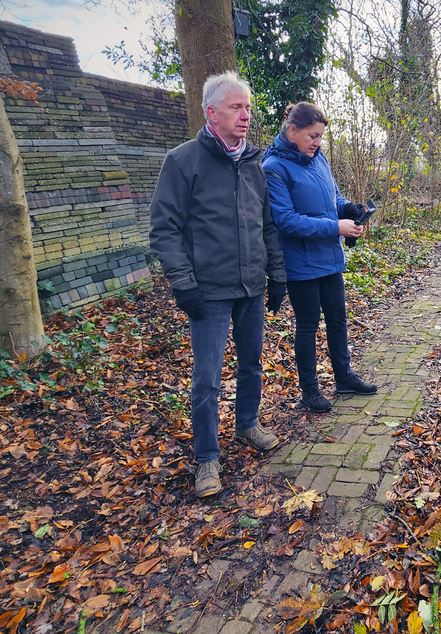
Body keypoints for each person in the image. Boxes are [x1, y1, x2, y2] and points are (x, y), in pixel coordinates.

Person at [148, 72, 287, 498]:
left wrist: (277, 274)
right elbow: (164, 229)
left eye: (248, 108)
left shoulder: (253, 166)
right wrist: (183, 283)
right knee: (207, 379)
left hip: (251, 288)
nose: (246, 115)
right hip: (207, 291)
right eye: (236, 107)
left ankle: (247, 424)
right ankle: (207, 456)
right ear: (211, 112)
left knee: (252, 364)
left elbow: (266, 226)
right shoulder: (182, 162)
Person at [262, 102, 377, 412]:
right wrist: (336, 227)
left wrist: (350, 209)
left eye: (320, 137)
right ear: (292, 131)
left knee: (338, 320)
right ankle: (309, 390)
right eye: (312, 136)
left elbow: (333, 198)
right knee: (308, 325)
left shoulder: (319, 158)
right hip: (300, 262)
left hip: (329, 257)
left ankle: (344, 377)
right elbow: (286, 220)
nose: (317, 142)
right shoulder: (274, 168)